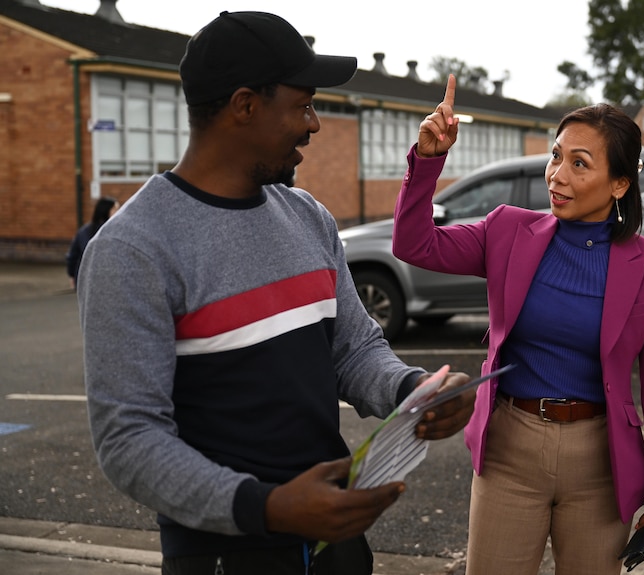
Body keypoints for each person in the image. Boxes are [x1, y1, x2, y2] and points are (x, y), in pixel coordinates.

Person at [76, 12, 474, 575]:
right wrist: (267, 506)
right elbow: (129, 440)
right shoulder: (134, 248)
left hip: (335, 540)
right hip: (225, 551)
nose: (313, 124)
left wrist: (415, 389)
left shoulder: (308, 217)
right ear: (245, 105)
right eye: (303, 105)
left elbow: (354, 350)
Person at [392, 76, 644, 575]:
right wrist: (427, 162)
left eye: (579, 164)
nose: (557, 175)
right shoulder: (508, 229)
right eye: (556, 156)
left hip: (601, 463)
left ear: (619, 183)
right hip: (510, 450)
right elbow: (415, 245)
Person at [65, 196, 119, 289]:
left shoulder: (84, 231)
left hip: (85, 280)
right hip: (107, 281)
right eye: (115, 209)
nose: (119, 212)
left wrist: (72, 275)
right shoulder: (114, 232)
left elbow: (73, 256)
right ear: (106, 211)